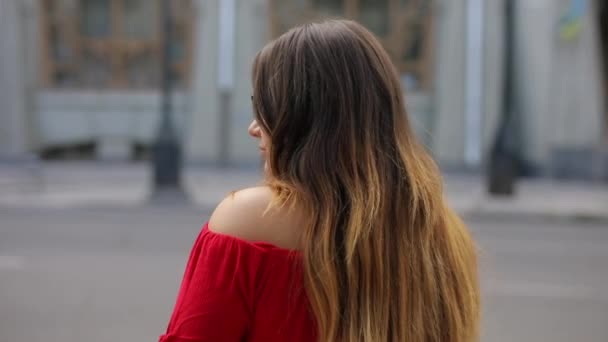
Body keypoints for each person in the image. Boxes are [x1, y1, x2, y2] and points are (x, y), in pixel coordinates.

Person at [160, 20, 480, 342]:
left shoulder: (249, 221)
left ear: (301, 118)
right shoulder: (443, 233)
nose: (254, 127)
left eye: (265, 107)